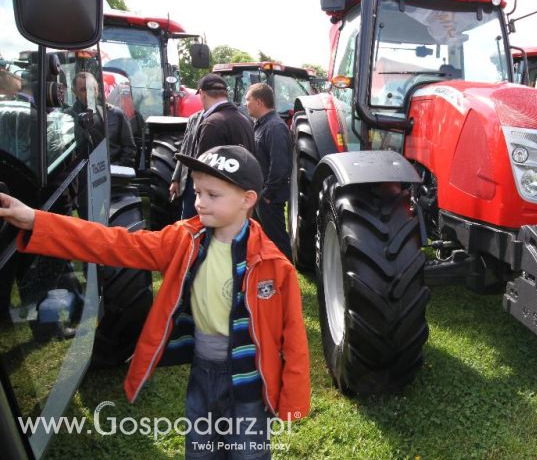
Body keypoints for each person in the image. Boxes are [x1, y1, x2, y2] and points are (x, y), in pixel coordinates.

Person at [0, 144, 311, 458]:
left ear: (247, 200)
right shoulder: (183, 240)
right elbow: (114, 243)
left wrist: (294, 403)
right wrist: (37, 221)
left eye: (212, 195)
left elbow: (295, 339)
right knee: (200, 451)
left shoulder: (274, 266)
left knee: (249, 453)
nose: (200, 202)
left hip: (250, 382)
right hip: (203, 373)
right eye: (198, 191)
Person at [181, 73, 255, 219]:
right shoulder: (245, 120)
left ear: (202, 94)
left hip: (214, 207)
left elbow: (203, 170)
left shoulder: (212, 123)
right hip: (238, 199)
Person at [245, 83, 292, 260]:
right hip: (260, 196)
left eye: (248, 100)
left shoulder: (275, 127)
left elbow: (280, 166)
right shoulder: (261, 125)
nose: (245, 104)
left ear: (259, 102)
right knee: (261, 240)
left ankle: (287, 282)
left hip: (269, 198)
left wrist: (267, 194)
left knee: (277, 242)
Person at [73, 71, 137, 167]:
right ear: (74, 92)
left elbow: (129, 149)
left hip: (112, 171)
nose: (88, 94)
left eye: (91, 89)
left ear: (97, 90)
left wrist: (115, 169)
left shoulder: (116, 114)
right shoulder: (69, 117)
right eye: (83, 90)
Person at [170, 109, 204, 218]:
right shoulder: (194, 118)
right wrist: (175, 179)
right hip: (190, 183)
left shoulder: (225, 119)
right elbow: (184, 150)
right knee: (188, 221)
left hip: (209, 184)